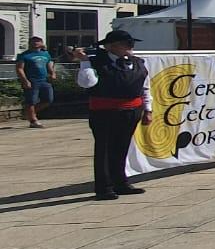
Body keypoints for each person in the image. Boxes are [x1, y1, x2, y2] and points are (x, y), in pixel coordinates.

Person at [71, 30, 151, 200]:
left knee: (121, 147)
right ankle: (104, 187)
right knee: (104, 149)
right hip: (105, 111)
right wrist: (85, 62)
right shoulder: (97, 61)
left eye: (130, 44)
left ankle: (120, 182)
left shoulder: (137, 62)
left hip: (131, 110)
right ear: (111, 47)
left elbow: (145, 87)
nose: (130, 47)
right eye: (126, 44)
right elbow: (87, 83)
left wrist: (148, 109)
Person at [16, 36, 54, 128]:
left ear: (41, 43)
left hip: (44, 80)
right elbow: (19, 68)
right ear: (30, 43)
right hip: (32, 80)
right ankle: (33, 120)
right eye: (33, 41)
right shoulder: (24, 55)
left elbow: (49, 65)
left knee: (48, 99)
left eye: (38, 41)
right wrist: (25, 80)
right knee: (31, 101)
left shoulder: (45, 54)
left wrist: (52, 73)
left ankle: (29, 113)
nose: (36, 43)